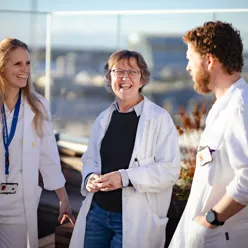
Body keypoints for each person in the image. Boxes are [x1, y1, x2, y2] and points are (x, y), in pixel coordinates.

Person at [69, 49, 181, 248]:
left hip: (135, 219)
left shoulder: (159, 119)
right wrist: (90, 178)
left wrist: (124, 178)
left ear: (142, 78)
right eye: (118, 71)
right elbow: (90, 160)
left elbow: (169, 170)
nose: (124, 77)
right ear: (109, 77)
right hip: (97, 214)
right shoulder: (103, 118)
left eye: (132, 72)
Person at [169, 21, 248, 248]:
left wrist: (211, 219)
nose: (188, 67)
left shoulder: (240, 107)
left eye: (189, 59)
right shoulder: (224, 105)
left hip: (219, 236)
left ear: (209, 61)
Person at [0, 38, 75, 248]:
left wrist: (63, 198)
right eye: (17, 64)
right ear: (2, 68)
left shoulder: (38, 105)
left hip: (18, 206)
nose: (25, 69)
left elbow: (48, 154)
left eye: (28, 63)